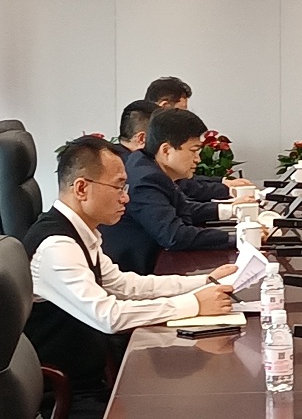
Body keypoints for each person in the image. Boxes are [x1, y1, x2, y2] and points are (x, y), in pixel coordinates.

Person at [21, 136, 235, 419]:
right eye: (119, 186)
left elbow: (126, 285)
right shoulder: (57, 247)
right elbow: (108, 316)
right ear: (82, 188)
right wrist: (194, 305)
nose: (126, 197)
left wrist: (205, 282)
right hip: (68, 394)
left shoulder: (80, 232)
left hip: (93, 375)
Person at [99, 109, 250, 275]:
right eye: (193, 150)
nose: (198, 159)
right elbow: (174, 236)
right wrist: (240, 238)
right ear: (166, 150)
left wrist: (232, 211)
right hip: (135, 273)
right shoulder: (146, 180)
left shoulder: (149, 166)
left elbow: (181, 209)